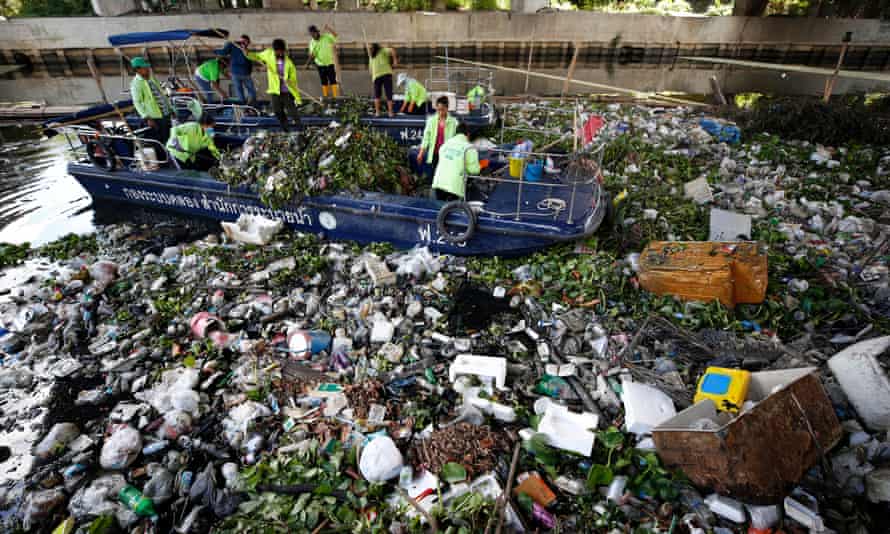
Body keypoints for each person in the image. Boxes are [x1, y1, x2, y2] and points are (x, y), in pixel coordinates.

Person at [247, 39, 302, 131]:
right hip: (274, 90)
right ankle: (286, 128)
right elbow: (256, 56)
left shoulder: (289, 63)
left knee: (293, 112)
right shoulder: (268, 54)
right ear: (275, 50)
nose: (280, 53)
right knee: (277, 111)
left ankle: (300, 128)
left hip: (286, 91)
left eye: (282, 52)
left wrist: (289, 80)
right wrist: (247, 53)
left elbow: (293, 79)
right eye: (278, 51)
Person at [130, 56, 172, 147]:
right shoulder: (136, 83)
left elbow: (161, 93)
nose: (148, 69)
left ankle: (171, 156)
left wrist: (170, 108)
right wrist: (147, 118)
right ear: (138, 70)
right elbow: (137, 102)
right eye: (145, 68)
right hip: (155, 117)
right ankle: (165, 158)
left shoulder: (151, 78)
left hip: (165, 112)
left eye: (147, 67)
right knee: (161, 139)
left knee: (170, 136)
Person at [432, 123, 479, 202]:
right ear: (468, 135)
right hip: (454, 187)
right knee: (454, 212)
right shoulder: (469, 148)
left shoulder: (445, 144)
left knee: (440, 210)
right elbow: (474, 170)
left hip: (438, 183)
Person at [416, 95, 457, 179]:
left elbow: (458, 139)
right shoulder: (431, 121)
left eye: (442, 109)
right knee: (435, 175)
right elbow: (426, 138)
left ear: (447, 108)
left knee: (446, 176)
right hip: (434, 153)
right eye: (438, 109)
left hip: (447, 155)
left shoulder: (454, 122)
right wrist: (421, 153)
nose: (440, 112)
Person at [216, 35, 256, 104]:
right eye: (243, 41)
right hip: (236, 73)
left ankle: (250, 105)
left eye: (247, 42)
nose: (245, 43)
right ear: (241, 41)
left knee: (251, 92)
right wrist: (215, 51)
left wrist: (249, 72)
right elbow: (223, 52)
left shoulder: (247, 51)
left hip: (245, 74)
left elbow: (250, 63)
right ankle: (244, 107)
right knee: (240, 92)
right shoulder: (233, 45)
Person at [307, 25, 339, 99]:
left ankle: (335, 96)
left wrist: (329, 28)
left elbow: (336, 36)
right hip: (320, 65)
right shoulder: (312, 43)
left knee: (332, 80)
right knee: (324, 81)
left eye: (314, 33)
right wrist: (311, 58)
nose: (313, 36)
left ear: (317, 32)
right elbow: (313, 55)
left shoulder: (326, 37)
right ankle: (326, 96)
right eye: (311, 35)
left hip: (329, 63)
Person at [369, 43, 398, 117]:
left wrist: (373, 77)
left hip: (376, 76)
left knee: (377, 95)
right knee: (389, 94)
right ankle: (390, 113)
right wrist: (395, 61)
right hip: (386, 74)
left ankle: (377, 112)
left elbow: (370, 70)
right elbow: (392, 50)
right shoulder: (382, 50)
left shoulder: (371, 56)